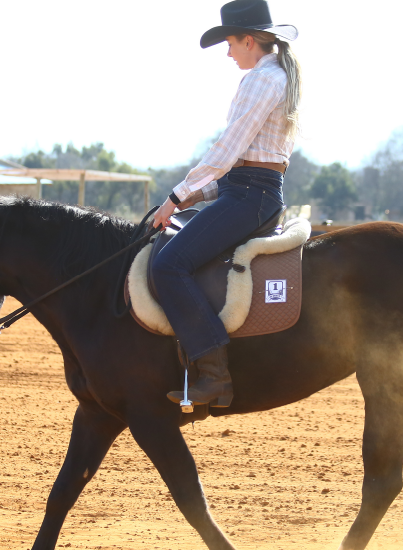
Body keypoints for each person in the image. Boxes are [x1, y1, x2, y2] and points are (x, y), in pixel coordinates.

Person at [151, 0, 300, 407]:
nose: (228, 52)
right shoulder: (277, 76)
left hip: (249, 196)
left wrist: (175, 197)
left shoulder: (259, 80)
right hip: (254, 192)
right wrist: (193, 197)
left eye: (230, 43)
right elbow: (250, 166)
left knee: (168, 264)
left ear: (249, 40)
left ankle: (214, 373)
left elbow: (226, 151)